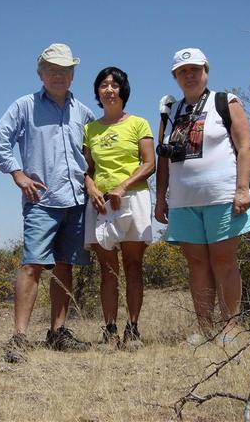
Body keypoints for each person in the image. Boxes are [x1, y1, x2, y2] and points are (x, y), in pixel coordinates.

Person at [0, 43, 95, 363]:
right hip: (41, 199)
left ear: (73, 74)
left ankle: (58, 332)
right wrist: (16, 173)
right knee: (32, 265)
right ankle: (20, 336)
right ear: (41, 73)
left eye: (64, 70)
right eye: (51, 69)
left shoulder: (84, 113)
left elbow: (93, 155)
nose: (58, 75)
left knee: (65, 266)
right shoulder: (24, 106)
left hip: (76, 199)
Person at [154, 48, 250, 345]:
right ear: (175, 76)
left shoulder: (225, 102)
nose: (189, 75)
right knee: (196, 264)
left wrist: (241, 189)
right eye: (182, 71)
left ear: (206, 71)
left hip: (222, 196)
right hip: (184, 201)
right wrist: (160, 199)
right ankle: (205, 327)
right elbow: (163, 160)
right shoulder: (170, 111)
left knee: (224, 262)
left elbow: (245, 146)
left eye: (194, 69)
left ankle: (231, 327)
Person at [83, 67, 155, 350]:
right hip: (101, 204)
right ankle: (110, 329)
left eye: (114, 85)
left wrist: (123, 186)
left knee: (134, 266)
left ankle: (133, 329)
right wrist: (90, 187)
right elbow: (87, 168)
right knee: (107, 270)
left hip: (132, 199)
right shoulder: (90, 129)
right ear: (98, 92)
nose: (109, 89)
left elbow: (149, 163)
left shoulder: (138, 123)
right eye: (103, 85)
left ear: (123, 90)